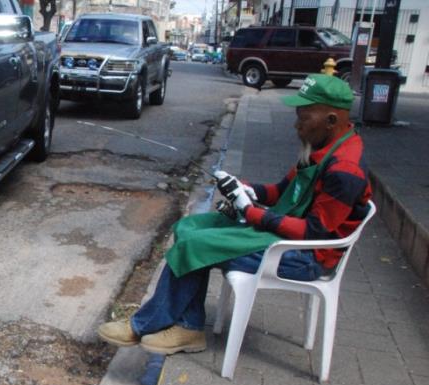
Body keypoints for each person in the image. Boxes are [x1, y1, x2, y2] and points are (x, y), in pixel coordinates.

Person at [98, 74, 372, 354]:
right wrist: (242, 187)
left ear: (331, 120)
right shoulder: (321, 149)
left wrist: (251, 213)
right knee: (189, 227)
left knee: (198, 245)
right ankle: (188, 327)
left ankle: (144, 325)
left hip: (304, 257)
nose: (296, 125)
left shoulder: (344, 170)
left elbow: (313, 232)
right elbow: (279, 191)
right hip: (284, 236)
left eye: (304, 117)